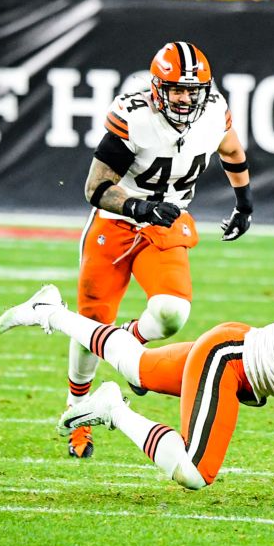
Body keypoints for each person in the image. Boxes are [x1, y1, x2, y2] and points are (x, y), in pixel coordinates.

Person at [0, 266, 274, 490]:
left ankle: (48, 310)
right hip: (230, 360)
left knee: (138, 365)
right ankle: (113, 407)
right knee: (195, 472)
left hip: (239, 350)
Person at [64, 40, 254, 460]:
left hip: (164, 225)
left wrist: (243, 203)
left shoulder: (213, 112)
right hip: (115, 226)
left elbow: (232, 152)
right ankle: (76, 408)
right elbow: (95, 188)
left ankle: (127, 342)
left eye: (193, 89)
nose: (186, 98)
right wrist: (138, 205)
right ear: (156, 89)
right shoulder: (134, 116)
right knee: (90, 324)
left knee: (173, 312)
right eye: (177, 89)